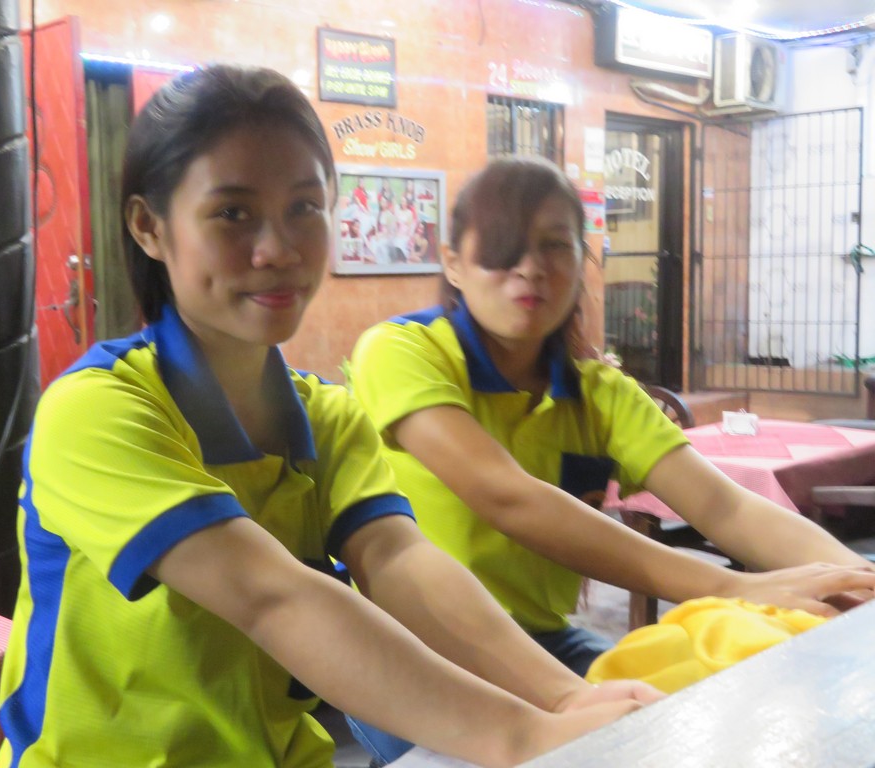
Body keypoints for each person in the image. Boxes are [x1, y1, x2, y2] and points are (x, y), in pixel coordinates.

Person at [0, 68, 660, 768]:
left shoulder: (326, 415)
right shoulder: (96, 410)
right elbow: (271, 596)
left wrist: (563, 699)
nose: (278, 249)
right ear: (148, 227)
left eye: (305, 207)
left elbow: (399, 560)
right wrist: (522, 736)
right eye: (233, 213)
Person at [346, 157, 875, 762]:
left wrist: (855, 582)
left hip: (542, 644)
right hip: (405, 650)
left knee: (674, 729)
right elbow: (506, 496)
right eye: (501, 246)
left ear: (582, 262)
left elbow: (725, 507)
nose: (530, 267)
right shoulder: (400, 352)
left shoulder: (600, 394)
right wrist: (735, 586)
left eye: (554, 246)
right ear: (453, 263)